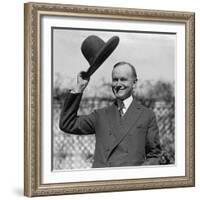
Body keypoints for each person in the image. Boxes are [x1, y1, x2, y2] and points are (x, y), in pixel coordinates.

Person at [59, 61, 161, 168]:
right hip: (102, 181)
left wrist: (136, 177)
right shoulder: (100, 115)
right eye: (115, 80)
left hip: (130, 181)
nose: (118, 84)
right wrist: (79, 88)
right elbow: (67, 124)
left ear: (134, 83)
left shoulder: (147, 115)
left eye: (123, 79)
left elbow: (154, 156)